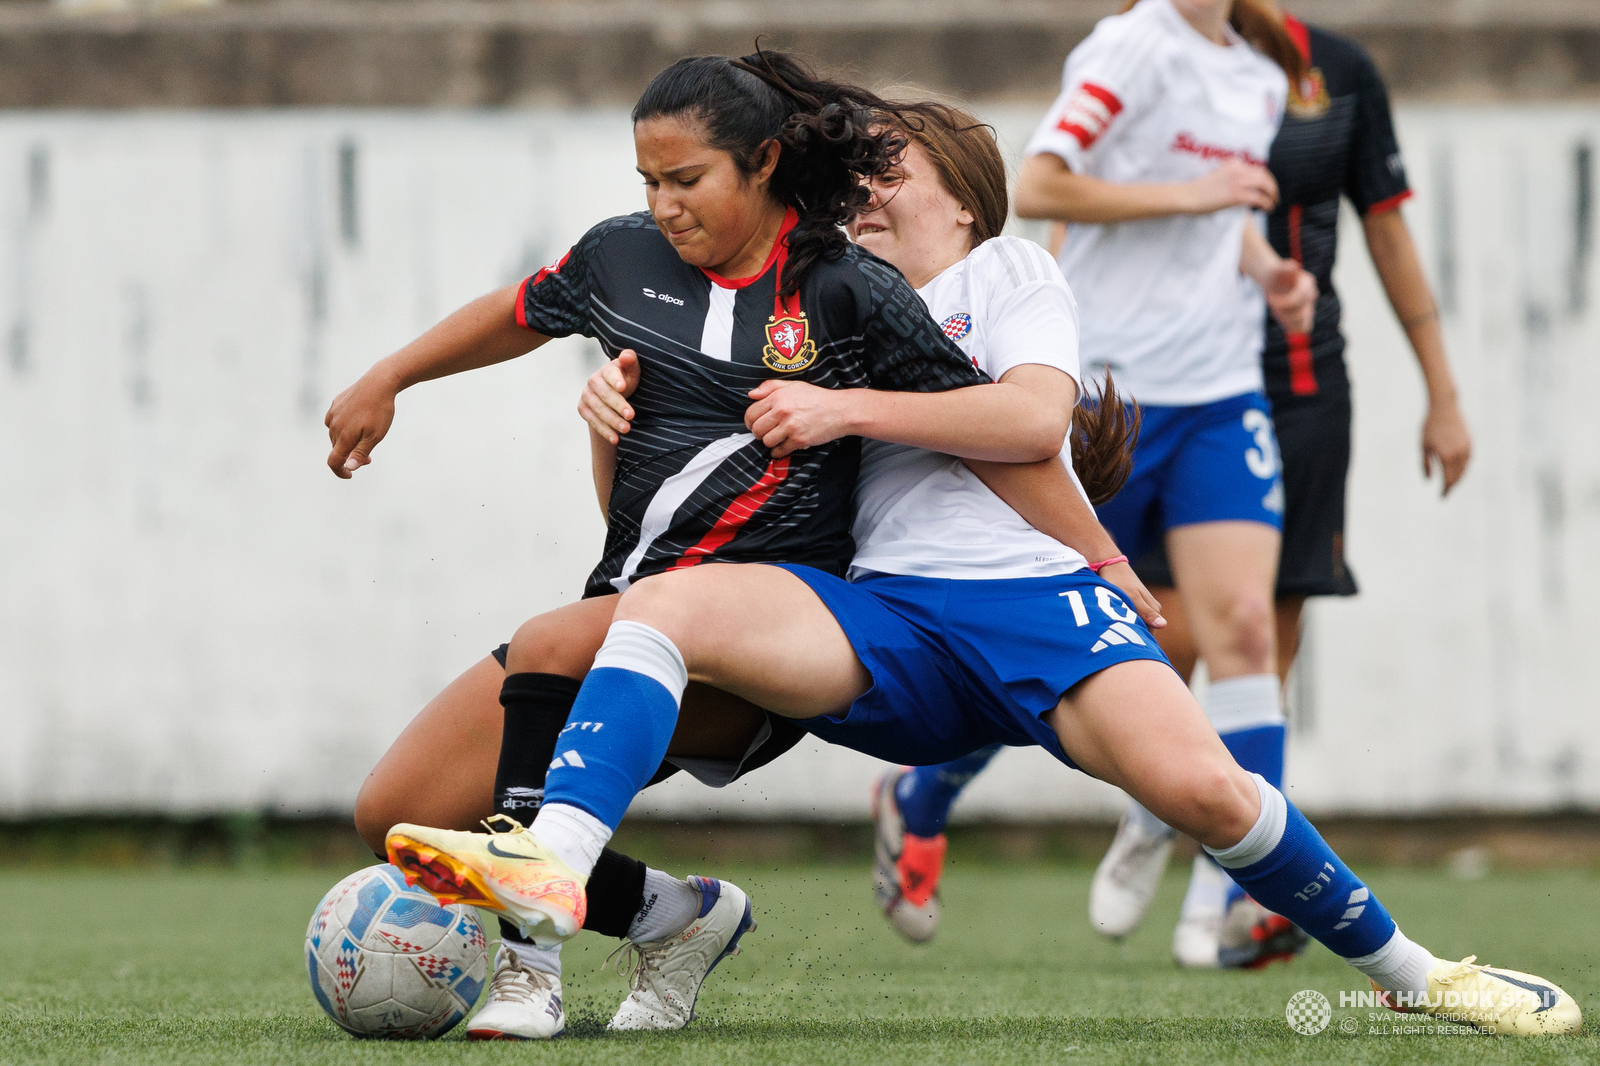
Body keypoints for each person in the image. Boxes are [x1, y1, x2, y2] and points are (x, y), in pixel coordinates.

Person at [384, 78, 1581, 1038]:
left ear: (962, 198)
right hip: (877, 618)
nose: (861, 195)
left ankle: (1417, 973)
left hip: (1031, 610)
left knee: (1209, 793)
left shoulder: (1009, 273)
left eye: (888, 172)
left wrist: (1073, 539)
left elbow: (1023, 423)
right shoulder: (829, 302)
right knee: (666, 605)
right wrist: (617, 424)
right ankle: (562, 874)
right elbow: (687, 512)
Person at [331, 54, 1148, 1039]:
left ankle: (527, 969)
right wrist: (395, 378)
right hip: (635, 609)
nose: (664, 204)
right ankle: (672, 917)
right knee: (400, 810)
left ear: (762, 163)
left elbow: (1004, 433)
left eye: (686, 180)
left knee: (550, 640)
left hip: (766, 635)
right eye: (649, 181)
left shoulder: (851, 294)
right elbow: (522, 323)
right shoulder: (622, 262)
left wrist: (1098, 555)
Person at [869, 0, 1315, 964]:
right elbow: (1042, 183)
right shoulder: (1132, 44)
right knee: (1063, 630)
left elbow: (1213, 213)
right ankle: (924, 792)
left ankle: (1229, 906)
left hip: (1222, 389)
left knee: (1239, 626)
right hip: (1111, 390)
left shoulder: (1261, 74)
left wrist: (1266, 265)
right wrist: (1201, 197)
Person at [1081, 1, 1475, 969]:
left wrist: (1442, 391)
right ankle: (1147, 810)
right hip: (1154, 388)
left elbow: (1382, 234)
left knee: (1258, 637)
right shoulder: (1142, 53)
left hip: (1293, 395)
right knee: (1149, 639)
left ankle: (1217, 906)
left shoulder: (1331, 73)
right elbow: (1069, 197)